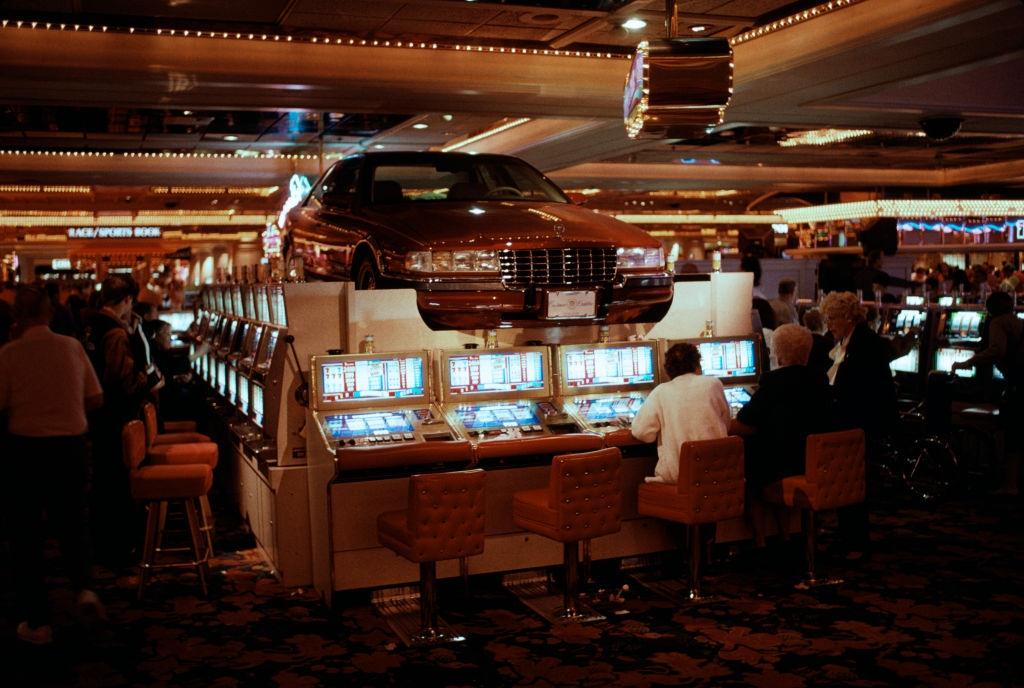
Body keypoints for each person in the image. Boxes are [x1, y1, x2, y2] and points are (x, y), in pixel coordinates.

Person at [0, 285, 105, 645]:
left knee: (26, 538)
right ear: (49, 313)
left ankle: (38, 622)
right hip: (70, 447)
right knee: (73, 524)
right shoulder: (71, 347)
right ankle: (84, 590)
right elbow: (95, 397)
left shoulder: (9, 354)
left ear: (18, 317)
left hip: (25, 450)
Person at [730, 324, 835, 546]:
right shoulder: (820, 380)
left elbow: (743, 425)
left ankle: (761, 542)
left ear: (775, 352)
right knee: (768, 458)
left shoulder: (773, 383)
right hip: (814, 464)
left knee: (752, 469)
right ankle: (786, 536)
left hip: (783, 465)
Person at [84, 276, 164, 562]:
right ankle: (116, 547)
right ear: (127, 300)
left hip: (97, 414)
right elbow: (124, 382)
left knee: (104, 481)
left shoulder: (91, 325)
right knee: (115, 483)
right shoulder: (115, 333)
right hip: (115, 416)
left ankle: (104, 544)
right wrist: (151, 378)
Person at [820, 291, 898, 557]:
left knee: (853, 483)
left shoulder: (864, 344)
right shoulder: (849, 341)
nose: (829, 324)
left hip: (862, 422)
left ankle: (855, 538)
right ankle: (849, 535)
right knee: (849, 481)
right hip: (852, 422)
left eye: (832, 318)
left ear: (848, 318)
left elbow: (861, 389)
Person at [952, 291, 1023, 495]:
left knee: (1012, 432)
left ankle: (1010, 485)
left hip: (1018, 384)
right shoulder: (1017, 321)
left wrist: (968, 361)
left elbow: (997, 350)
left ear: (989, 309)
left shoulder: (998, 323)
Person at [631, 342, 731, 484]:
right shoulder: (714, 384)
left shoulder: (661, 391)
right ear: (697, 365)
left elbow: (642, 432)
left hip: (679, 479)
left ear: (668, 371)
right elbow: (726, 425)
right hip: (718, 474)